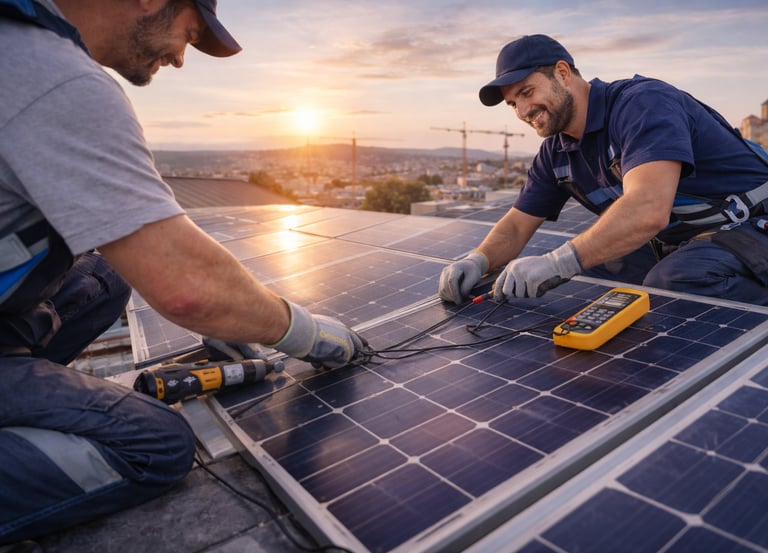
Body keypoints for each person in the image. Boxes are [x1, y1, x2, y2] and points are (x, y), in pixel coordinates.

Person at [0, 0, 365, 547]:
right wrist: (298, 329)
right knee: (158, 444)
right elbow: (186, 289)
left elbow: (152, 249)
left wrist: (236, 309)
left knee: (105, 279)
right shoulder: (56, 78)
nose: (180, 59)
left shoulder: (19, 42)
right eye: (189, 36)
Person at [439, 34, 768, 307]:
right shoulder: (556, 154)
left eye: (527, 92)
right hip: (691, 240)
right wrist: (478, 260)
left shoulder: (642, 105)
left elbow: (648, 209)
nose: (523, 111)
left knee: (674, 283)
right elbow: (516, 225)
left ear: (563, 73)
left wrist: (558, 263)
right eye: (513, 104)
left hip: (753, 224)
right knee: (592, 277)